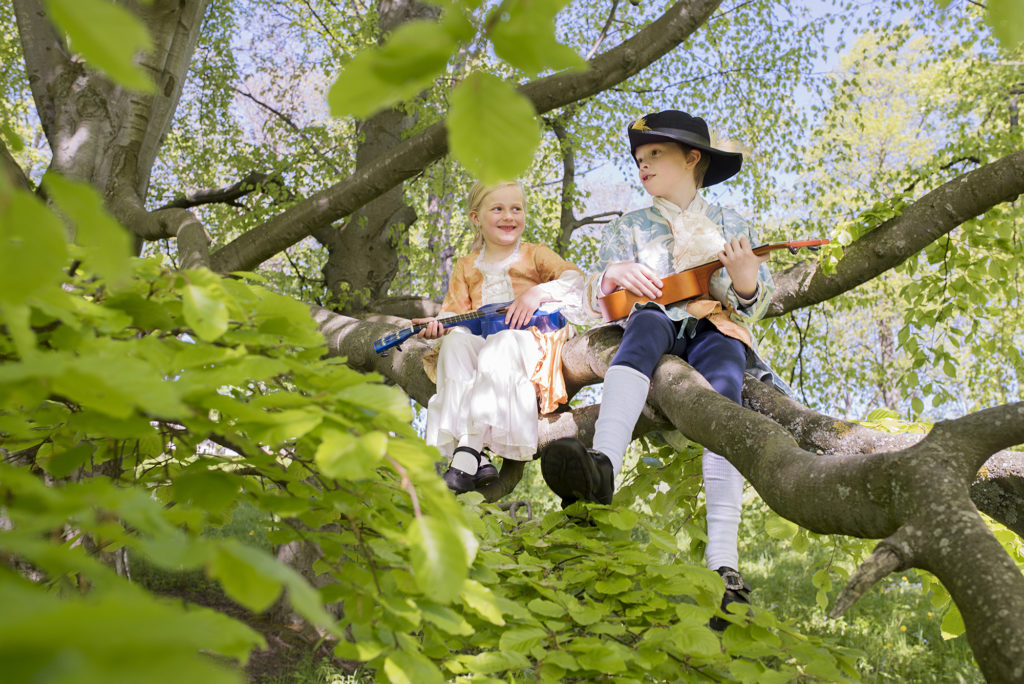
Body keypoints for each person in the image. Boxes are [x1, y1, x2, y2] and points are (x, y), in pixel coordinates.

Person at [539, 110, 787, 629]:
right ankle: (602, 464)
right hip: (654, 319)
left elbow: (751, 305)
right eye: (638, 159)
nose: (643, 165)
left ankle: (726, 566)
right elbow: (599, 303)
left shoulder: (732, 223)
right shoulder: (630, 226)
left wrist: (745, 282)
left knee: (724, 379)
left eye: (655, 155)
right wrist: (612, 273)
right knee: (645, 327)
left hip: (712, 324)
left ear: (692, 158)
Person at [414, 181, 587, 495]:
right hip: (489, 353)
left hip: (531, 346)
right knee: (454, 345)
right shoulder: (466, 266)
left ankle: (468, 453)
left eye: (516, 208)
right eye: (498, 209)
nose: (509, 216)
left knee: (501, 342)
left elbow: (574, 280)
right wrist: (438, 328)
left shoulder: (535, 255)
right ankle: (476, 455)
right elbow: (456, 318)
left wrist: (539, 293)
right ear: (476, 218)